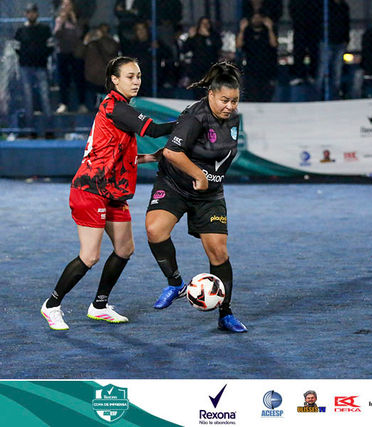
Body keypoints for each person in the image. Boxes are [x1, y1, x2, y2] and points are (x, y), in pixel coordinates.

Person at [40, 57, 176, 330]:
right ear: (115, 80)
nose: (136, 81)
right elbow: (153, 129)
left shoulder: (121, 110)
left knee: (125, 249)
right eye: (130, 76)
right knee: (89, 256)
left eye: (138, 76)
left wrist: (153, 157)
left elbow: (120, 157)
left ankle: (99, 306)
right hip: (90, 189)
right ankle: (51, 305)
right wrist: (190, 120)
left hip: (113, 192)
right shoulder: (115, 106)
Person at [145, 61, 247, 333]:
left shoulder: (233, 117)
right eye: (224, 100)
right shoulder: (194, 116)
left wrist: (209, 180)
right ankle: (175, 283)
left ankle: (225, 313)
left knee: (218, 251)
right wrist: (199, 175)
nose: (230, 106)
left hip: (209, 194)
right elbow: (172, 152)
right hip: (175, 184)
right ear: (210, 95)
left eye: (235, 101)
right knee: (155, 230)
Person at [14, 3, 53, 136]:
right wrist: (25, 57)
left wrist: (42, 56)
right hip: (25, 67)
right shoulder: (20, 31)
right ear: (26, 14)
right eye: (29, 12)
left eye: (33, 12)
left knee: (45, 98)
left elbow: (51, 46)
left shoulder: (45, 29)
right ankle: (30, 130)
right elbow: (16, 48)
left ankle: (49, 130)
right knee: (28, 99)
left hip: (41, 67)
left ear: (37, 14)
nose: (31, 15)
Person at [53, 0, 87, 113]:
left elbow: (79, 34)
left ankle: (82, 103)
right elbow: (56, 34)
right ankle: (64, 104)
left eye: (69, 5)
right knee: (63, 80)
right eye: (64, 5)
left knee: (78, 78)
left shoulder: (78, 20)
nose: (66, 7)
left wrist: (74, 20)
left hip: (76, 53)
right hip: (63, 52)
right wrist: (61, 22)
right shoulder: (59, 20)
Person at [236, 13, 278, 102]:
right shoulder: (248, 32)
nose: (256, 20)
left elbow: (274, 44)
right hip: (251, 69)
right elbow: (238, 45)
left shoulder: (267, 32)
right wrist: (242, 29)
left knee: (266, 95)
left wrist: (270, 28)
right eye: (254, 18)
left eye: (259, 17)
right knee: (251, 95)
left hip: (267, 68)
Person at [315, 0, 350, 100]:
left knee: (337, 70)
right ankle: (318, 95)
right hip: (327, 41)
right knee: (322, 69)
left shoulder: (344, 6)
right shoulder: (325, 6)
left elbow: (346, 23)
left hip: (340, 42)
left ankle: (335, 95)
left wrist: (346, 39)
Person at [180, 17, 222, 98]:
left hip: (211, 68)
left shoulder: (214, 35)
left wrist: (208, 36)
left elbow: (217, 46)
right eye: (203, 23)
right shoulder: (196, 36)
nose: (205, 25)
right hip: (197, 68)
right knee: (198, 91)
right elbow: (184, 50)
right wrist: (190, 37)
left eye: (207, 23)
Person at [83, 23, 119, 110]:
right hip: (91, 78)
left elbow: (111, 50)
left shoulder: (111, 42)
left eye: (104, 31)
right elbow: (78, 54)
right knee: (91, 107)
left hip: (105, 78)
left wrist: (102, 38)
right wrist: (85, 41)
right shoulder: (91, 43)